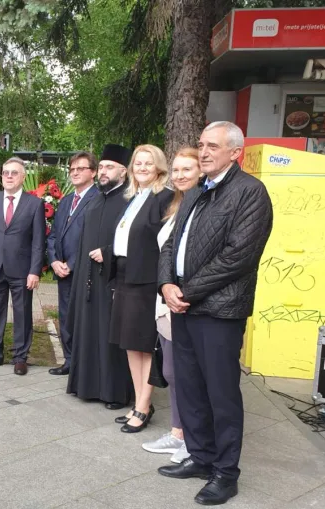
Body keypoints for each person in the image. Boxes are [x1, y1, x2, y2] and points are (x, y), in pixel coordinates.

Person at [157, 121, 273, 505]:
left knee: (221, 394)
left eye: (212, 146)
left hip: (220, 311)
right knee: (190, 388)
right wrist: (166, 285)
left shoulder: (250, 193)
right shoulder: (195, 191)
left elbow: (238, 257)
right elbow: (171, 243)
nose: (203, 152)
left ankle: (225, 473)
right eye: (201, 145)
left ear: (235, 152)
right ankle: (202, 457)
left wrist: (185, 291)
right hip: (184, 306)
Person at [106, 145, 174, 433]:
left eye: (148, 163)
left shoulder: (165, 198)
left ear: (158, 167)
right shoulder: (133, 197)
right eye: (138, 163)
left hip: (145, 282)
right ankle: (139, 401)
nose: (142, 168)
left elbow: (166, 244)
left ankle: (144, 406)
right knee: (131, 346)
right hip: (125, 277)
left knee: (145, 346)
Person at [142, 148, 201, 464]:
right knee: (170, 369)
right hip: (165, 300)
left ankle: (193, 440)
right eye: (176, 170)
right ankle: (178, 433)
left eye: (187, 169)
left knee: (185, 373)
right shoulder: (177, 203)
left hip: (186, 300)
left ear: (200, 172)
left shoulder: (203, 203)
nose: (180, 175)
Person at [66, 144, 133, 408]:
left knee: (109, 336)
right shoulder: (96, 199)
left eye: (109, 168)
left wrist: (109, 252)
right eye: (102, 167)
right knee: (88, 331)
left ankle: (113, 392)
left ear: (123, 172)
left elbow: (137, 239)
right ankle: (85, 385)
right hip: (87, 278)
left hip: (112, 279)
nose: (104, 172)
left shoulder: (129, 201)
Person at [0, 157, 46, 376]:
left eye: (14, 173)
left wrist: (35, 270)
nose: (10, 176)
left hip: (22, 270)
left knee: (22, 313)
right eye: (6, 173)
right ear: (1, 176)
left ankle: (20, 357)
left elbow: (38, 242)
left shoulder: (35, 204)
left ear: (23, 177)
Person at [47, 151, 99, 376]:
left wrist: (71, 263)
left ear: (93, 172)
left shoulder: (98, 199)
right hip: (62, 271)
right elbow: (54, 235)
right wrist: (54, 260)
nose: (75, 173)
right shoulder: (66, 200)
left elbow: (95, 238)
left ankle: (84, 365)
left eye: (81, 168)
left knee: (84, 320)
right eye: (72, 169)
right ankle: (69, 361)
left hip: (85, 271)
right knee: (66, 317)